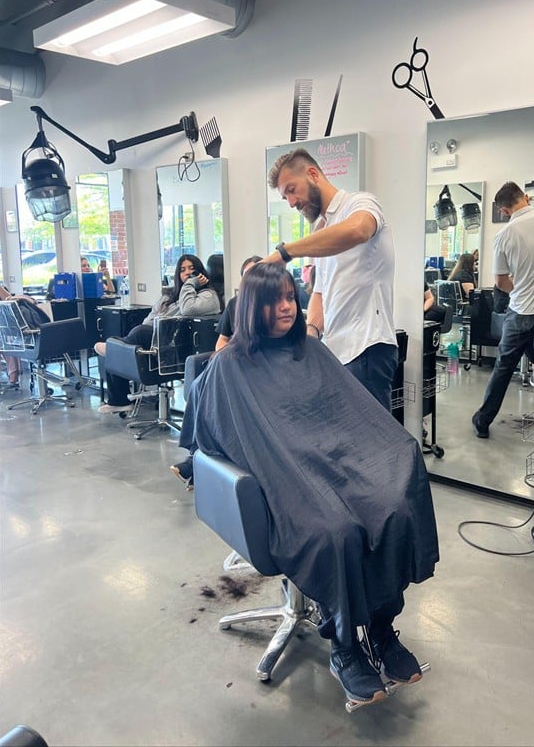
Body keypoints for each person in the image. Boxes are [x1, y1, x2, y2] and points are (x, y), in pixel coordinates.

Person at [182, 263, 439, 707]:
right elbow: (206, 433)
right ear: (252, 308)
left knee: (391, 510)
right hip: (287, 478)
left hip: (337, 462)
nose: (287, 307)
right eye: (275, 300)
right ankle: (344, 646)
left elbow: (352, 413)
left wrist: (391, 449)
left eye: (290, 297)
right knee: (334, 532)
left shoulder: (311, 351)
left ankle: (380, 628)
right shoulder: (229, 367)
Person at [264, 148, 397, 411]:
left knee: (372, 445)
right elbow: (321, 292)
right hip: (336, 351)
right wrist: (311, 333)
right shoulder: (320, 228)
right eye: (284, 196)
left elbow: (359, 229)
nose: (291, 202)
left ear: (312, 174)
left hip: (367, 347)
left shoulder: (360, 204)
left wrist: (285, 252)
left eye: (292, 189)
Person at [472, 181, 534, 438]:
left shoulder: (504, 235)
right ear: (526, 197)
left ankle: (483, 421)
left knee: (504, 367)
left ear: (504, 211)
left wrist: (522, 289)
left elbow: (501, 282)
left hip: (521, 310)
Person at [169, 253, 262, 488]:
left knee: (212, 391)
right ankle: (196, 457)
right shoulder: (234, 305)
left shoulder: (272, 307)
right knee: (201, 384)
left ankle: (195, 463)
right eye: (247, 277)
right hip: (233, 365)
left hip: (258, 370)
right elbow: (222, 339)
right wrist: (224, 356)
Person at [96, 254, 221, 413]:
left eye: (192, 269)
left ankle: (113, 350)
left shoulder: (209, 296)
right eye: (182, 270)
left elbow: (187, 309)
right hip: (156, 339)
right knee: (116, 342)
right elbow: (151, 317)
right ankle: (119, 400)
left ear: (201, 273)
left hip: (175, 347)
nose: (187, 273)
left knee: (122, 344)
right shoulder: (169, 296)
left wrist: (190, 284)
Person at [0, 283, 51, 389]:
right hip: (11, 332)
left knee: (6, 338)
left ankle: (13, 376)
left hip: (11, 331)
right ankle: (13, 375)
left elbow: (8, 298)